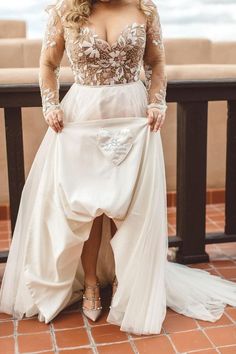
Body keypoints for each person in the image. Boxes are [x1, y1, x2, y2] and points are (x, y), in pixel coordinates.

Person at [0, 0, 235, 336]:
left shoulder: (145, 9)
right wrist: (50, 106)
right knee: (87, 208)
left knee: (128, 207)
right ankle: (92, 283)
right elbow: (47, 65)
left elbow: (156, 63)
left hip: (133, 118)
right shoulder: (65, 11)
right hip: (82, 120)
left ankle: (130, 283)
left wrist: (156, 102)